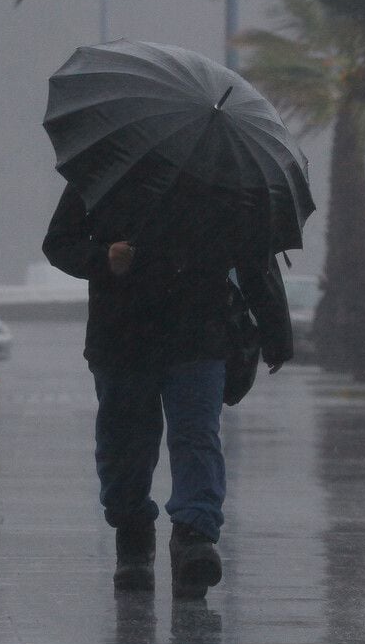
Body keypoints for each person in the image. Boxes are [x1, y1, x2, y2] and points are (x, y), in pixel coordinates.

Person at [42, 165, 293, 599]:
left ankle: (195, 536)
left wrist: (275, 331)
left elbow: (254, 255)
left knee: (197, 435)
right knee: (125, 444)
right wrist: (104, 258)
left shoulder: (223, 178)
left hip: (198, 336)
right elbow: (59, 243)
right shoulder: (104, 172)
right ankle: (133, 534)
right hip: (123, 339)